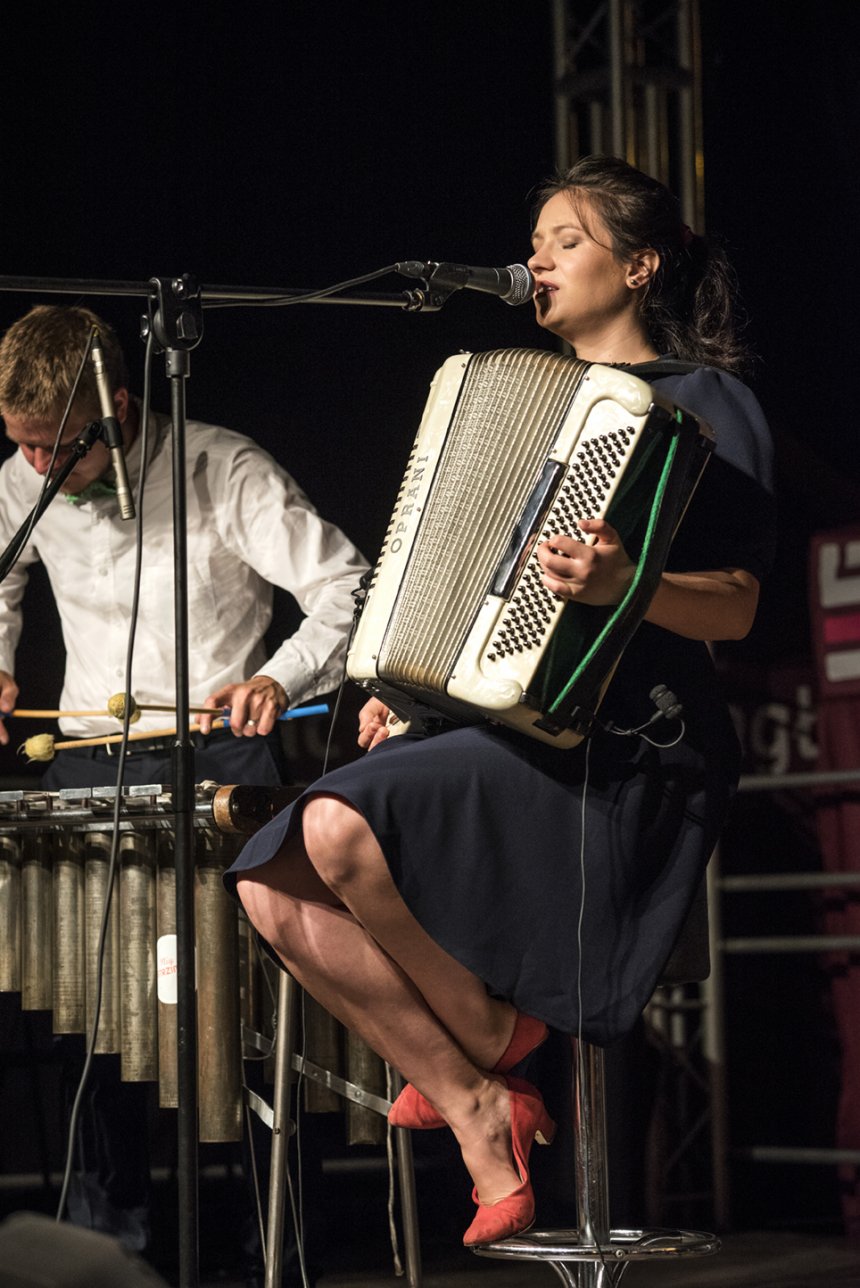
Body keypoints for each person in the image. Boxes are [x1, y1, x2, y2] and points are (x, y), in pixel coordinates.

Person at [226, 154, 777, 1248]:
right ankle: (480, 1091)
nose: (537, 262)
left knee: (332, 828)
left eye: (566, 241)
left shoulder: (704, 401)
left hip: (625, 747)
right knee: (270, 883)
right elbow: (473, 606)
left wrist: (629, 586)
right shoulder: (517, 405)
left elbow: (740, 607)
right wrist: (410, 701)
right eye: (535, 245)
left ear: (639, 265)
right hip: (505, 736)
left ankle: (484, 1050)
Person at [0, 304, 369, 1263]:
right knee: (92, 1032)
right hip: (88, 761)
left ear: (120, 408)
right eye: (22, 446)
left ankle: (279, 1249)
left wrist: (276, 678)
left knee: (240, 1024)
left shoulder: (222, 468)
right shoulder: (20, 478)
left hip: (219, 763)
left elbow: (346, 585)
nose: (36, 466)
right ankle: (102, 1257)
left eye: (56, 448)